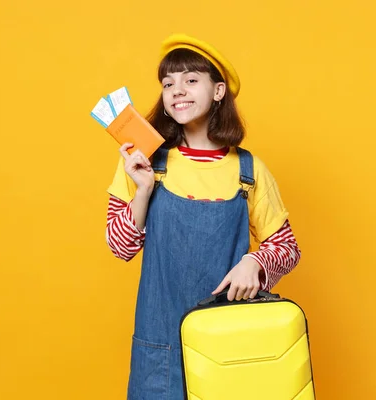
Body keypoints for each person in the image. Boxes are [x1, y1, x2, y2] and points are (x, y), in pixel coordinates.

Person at [105, 33, 302, 400]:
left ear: (218, 92)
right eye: (168, 83)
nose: (177, 90)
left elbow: (286, 246)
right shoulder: (145, 164)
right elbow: (120, 247)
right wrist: (144, 189)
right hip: (160, 347)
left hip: (227, 345)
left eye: (191, 80)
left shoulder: (249, 170)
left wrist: (255, 261)